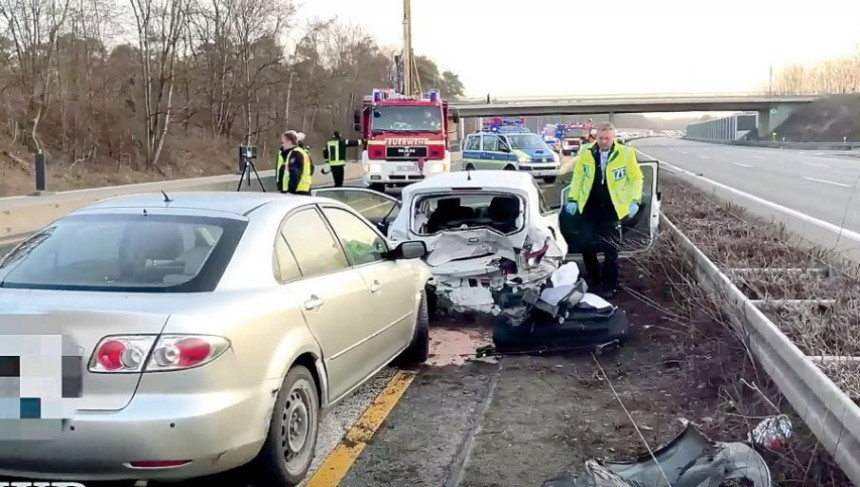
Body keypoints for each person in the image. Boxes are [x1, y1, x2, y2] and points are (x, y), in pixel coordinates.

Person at [562, 122, 643, 298]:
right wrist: (573, 199)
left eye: (607, 138)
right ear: (596, 137)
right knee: (586, 245)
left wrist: (634, 200)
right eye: (600, 138)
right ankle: (594, 279)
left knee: (610, 248)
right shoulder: (587, 152)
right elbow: (578, 177)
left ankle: (610, 285)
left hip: (612, 208)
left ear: (613, 137)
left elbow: (636, 179)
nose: (603, 142)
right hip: (589, 206)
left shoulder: (626, 154)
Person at [275, 131, 312, 195]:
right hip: (303, 189)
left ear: (289, 142)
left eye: (283, 142)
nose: (282, 145)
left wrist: (290, 191)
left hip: (297, 192)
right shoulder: (300, 152)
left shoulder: (295, 153)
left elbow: (295, 174)